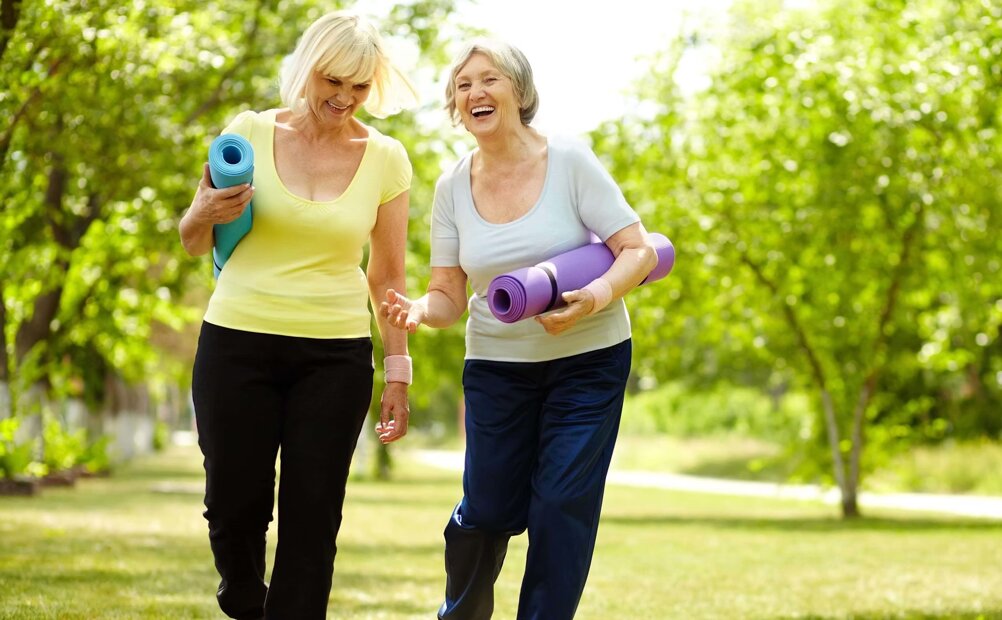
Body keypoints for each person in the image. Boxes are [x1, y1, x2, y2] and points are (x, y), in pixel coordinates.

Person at [380, 40, 659, 620]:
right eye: (463, 86)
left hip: (589, 358)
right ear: (455, 106)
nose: (475, 93)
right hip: (497, 365)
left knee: (561, 503)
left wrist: (595, 296)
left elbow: (637, 251)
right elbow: (450, 294)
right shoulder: (453, 187)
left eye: (490, 80)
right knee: (486, 507)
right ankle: (461, 613)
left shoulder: (571, 162)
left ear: (520, 91)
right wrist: (419, 312)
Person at [178, 11, 417, 620]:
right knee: (234, 503)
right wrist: (202, 209)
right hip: (237, 341)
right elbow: (193, 240)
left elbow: (387, 275)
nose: (343, 98)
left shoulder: (386, 158)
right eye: (333, 80)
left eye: (359, 87)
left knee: (314, 513)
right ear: (309, 67)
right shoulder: (249, 134)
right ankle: (240, 591)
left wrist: (398, 371)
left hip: (333, 355)